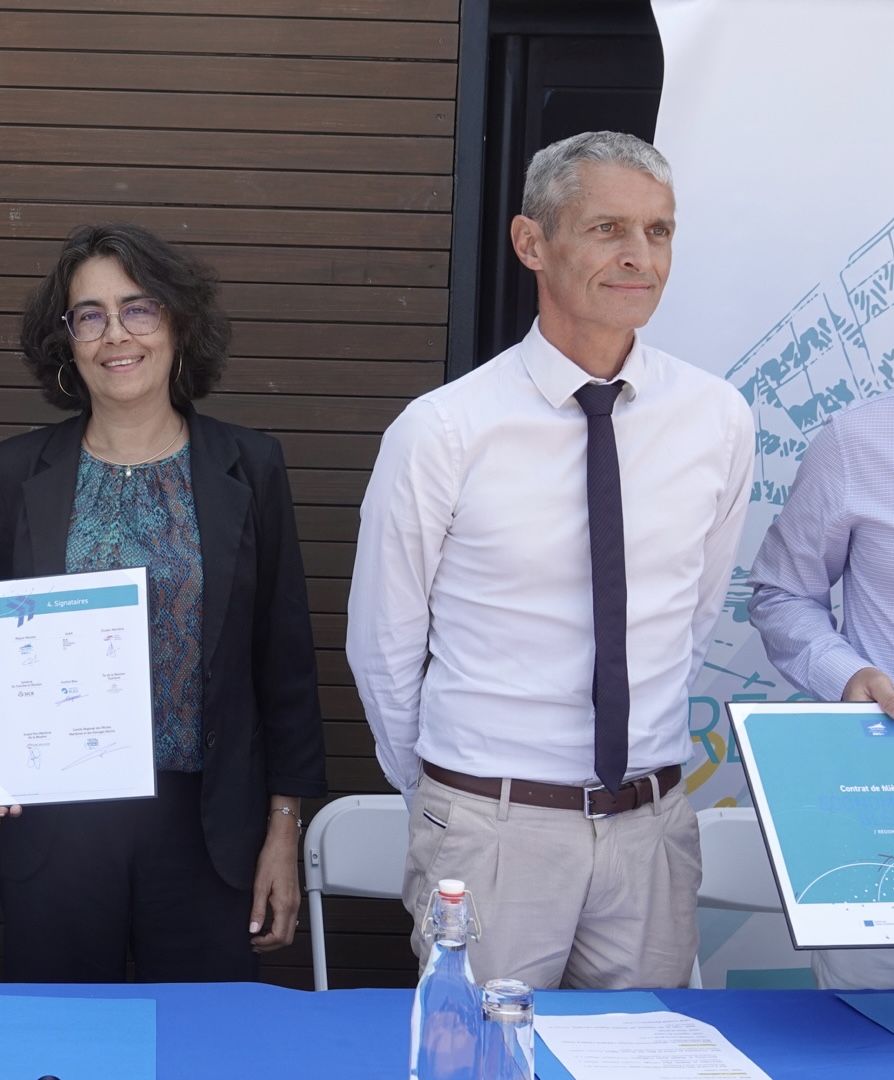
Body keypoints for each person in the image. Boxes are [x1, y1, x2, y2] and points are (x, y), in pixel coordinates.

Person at [349, 131, 755, 989]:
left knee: (647, 1058)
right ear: (533, 243)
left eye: (660, 231)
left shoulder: (718, 420)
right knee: (485, 1061)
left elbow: (692, 613)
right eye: (608, 228)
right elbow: (383, 640)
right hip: (492, 827)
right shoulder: (445, 429)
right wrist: (447, 799)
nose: (639, 257)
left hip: (650, 825)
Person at [0, 222, 325, 982]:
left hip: (209, 829)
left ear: (177, 322)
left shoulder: (251, 465)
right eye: (90, 315)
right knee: (58, 1047)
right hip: (56, 824)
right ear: (65, 339)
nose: (115, 335)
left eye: (139, 309)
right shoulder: (17, 471)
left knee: (202, 1051)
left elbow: (286, 667)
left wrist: (283, 830)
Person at [747, 395, 894, 990]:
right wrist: (846, 674)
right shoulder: (859, 438)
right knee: (864, 1043)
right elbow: (782, 592)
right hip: (881, 808)